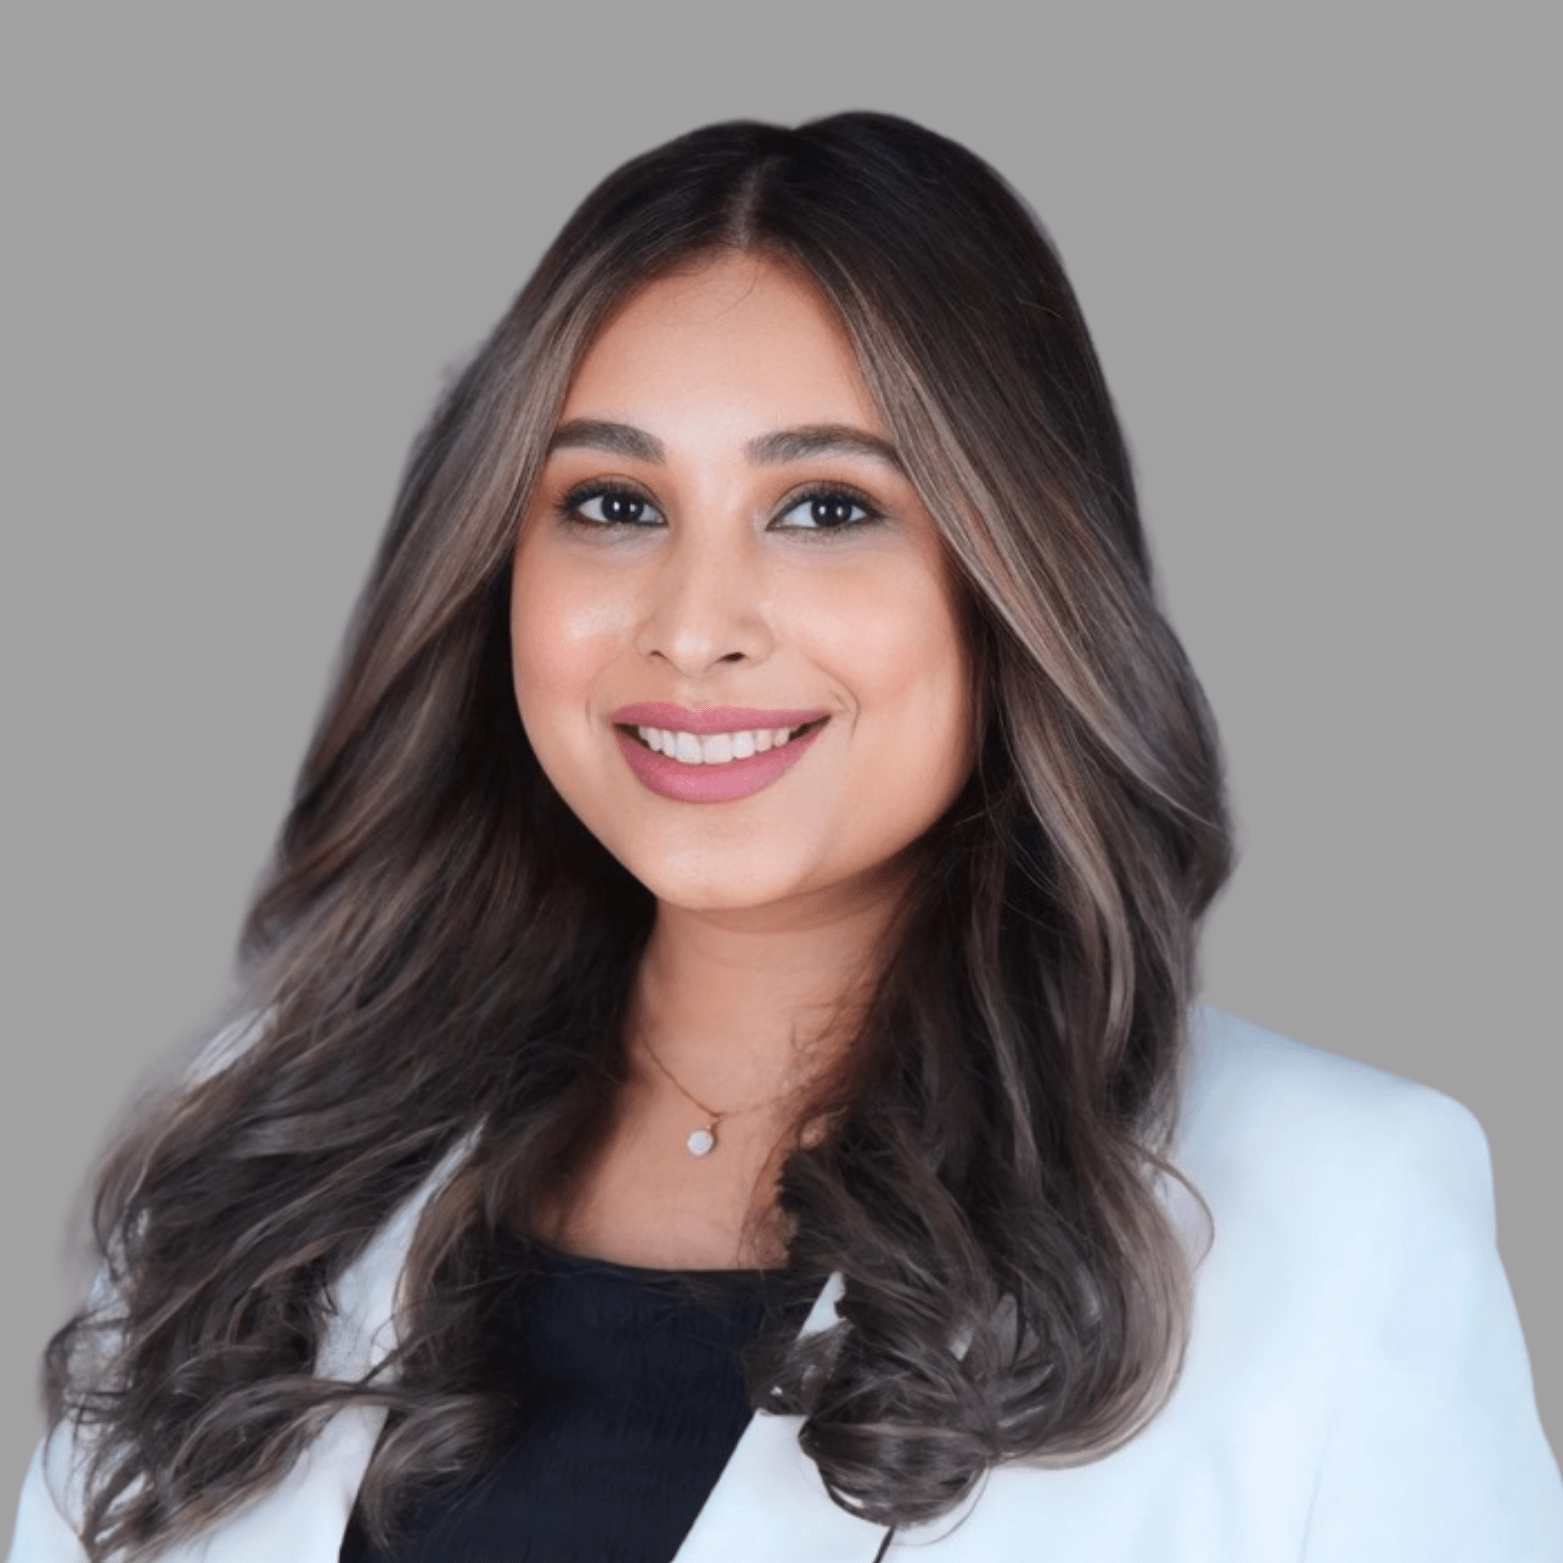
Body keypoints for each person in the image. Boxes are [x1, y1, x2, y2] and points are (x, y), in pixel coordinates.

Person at [7, 111, 1560, 1563]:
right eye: (612, 504)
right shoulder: (262, 1169)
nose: (694, 628)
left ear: (1014, 576)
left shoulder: (1329, 1215)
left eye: (824, 507)